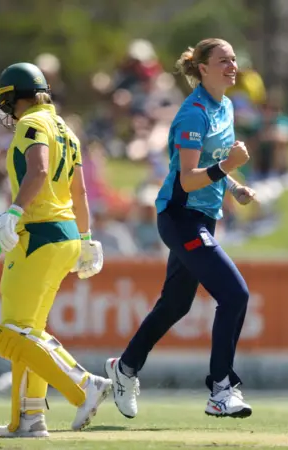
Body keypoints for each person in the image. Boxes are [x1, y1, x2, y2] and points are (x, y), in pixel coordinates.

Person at [104, 38, 257, 420]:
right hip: (179, 215)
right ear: (203, 68)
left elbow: (215, 163)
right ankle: (221, 390)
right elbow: (188, 180)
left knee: (176, 304)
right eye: (224, 60)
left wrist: (234, 186)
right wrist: (227, 168)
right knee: (235, 294)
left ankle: (124, 369)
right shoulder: (193, 114)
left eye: (234, 59)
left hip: (203, 217)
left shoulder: (224, 107)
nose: (232, 65)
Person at [0, 62, 111, 438]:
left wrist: (13, 212)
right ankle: (30, 418)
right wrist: (85, 239)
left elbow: (37, 172)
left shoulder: (32, 123)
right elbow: (80, 192)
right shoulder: (67, 128)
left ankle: (83, 386)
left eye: (7, 102)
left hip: (38, 234)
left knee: (13, 332)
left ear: (19, 97)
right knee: (29, 334)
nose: (7, 111)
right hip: (65, 235)